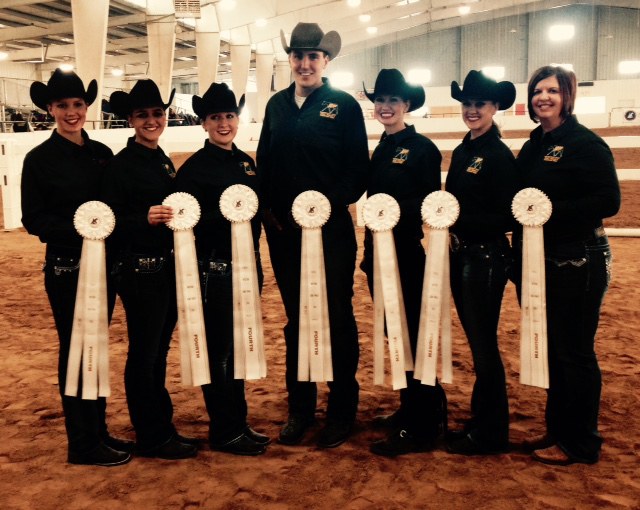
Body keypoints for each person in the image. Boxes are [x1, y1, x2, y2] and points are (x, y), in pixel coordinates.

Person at [257, 22, 370, 448]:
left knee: (337, 317)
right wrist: (271, 214)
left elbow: (356, 169)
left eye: (313, 57)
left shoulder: (342, 106)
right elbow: (265, 161)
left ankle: (342, 410)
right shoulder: (276, 106)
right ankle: (300, 408)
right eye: (298, 56)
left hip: (332, 233)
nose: (305, 64)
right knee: (296, 321)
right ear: (291, 59)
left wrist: (324, 208)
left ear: (326, 61)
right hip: (285, 234)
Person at [20, 68, 132, 467]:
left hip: (104, 269)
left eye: (78, 104)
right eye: (63, 105)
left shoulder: (102, 153)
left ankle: (98, 430)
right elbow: (34, 219)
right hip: (68, 268)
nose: (72, 112)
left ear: (87, 107)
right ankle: (81, 442)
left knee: (97, 347)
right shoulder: (38, 160)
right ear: (50, 109)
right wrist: (81, 231)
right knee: (75, 350)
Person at [515, 65, 620, 465]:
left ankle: (582, 442)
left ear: (567, 96)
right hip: (541, 260)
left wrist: (549, 212)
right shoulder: (533, 145)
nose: (544, 97)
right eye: (538, 90)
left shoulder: (586, 144)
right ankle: (559, 431)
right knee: (557, 350)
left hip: (578, 259)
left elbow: (608, 201)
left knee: (575, 352)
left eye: (553, 91)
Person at [101, 79, 198, 460]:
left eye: (157, 113)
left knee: (156, 352)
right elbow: (106, 221)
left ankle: (160, 426)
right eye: (143, 115)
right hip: (139, 271)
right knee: (144, 352)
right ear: (130, 119)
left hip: (164, 268)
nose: (152, 120)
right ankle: (151, 433)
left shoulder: (160, 159)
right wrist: (143, 219)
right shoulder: (120, 166)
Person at [174, 82, 270, 456]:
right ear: (204, 123)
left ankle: (237, 422)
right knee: (220, 351)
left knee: (240, 345)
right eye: (216, 117)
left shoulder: (246, 163)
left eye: (229, 115)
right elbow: (186, 221)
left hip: (247, 267)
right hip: (214, 269)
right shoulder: (193, 171)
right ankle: (224, 428)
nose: (224, 123)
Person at [359, 69, 446, 456]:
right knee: (397, 336)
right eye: (381, 100)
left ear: (407, 105)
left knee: (410, 334)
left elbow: (428, 203)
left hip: (406, 255)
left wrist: (389, 211)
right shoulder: (381, 146)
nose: (385, 106)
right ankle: (411, 408)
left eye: (393, 100)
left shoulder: (422, 148)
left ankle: (422, 422)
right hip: (379, 255)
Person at [443, 70, 520, 456]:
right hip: (463, 256)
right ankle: (483, 420)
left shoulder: (497, 155)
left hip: (485, 257)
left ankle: (491, 431)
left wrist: (459, 221)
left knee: (484, 345)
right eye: (468, 104)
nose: (472, 110)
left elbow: (508, 215)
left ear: (494, 108)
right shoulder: (463, 150)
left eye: (480, 104)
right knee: (478, 343)